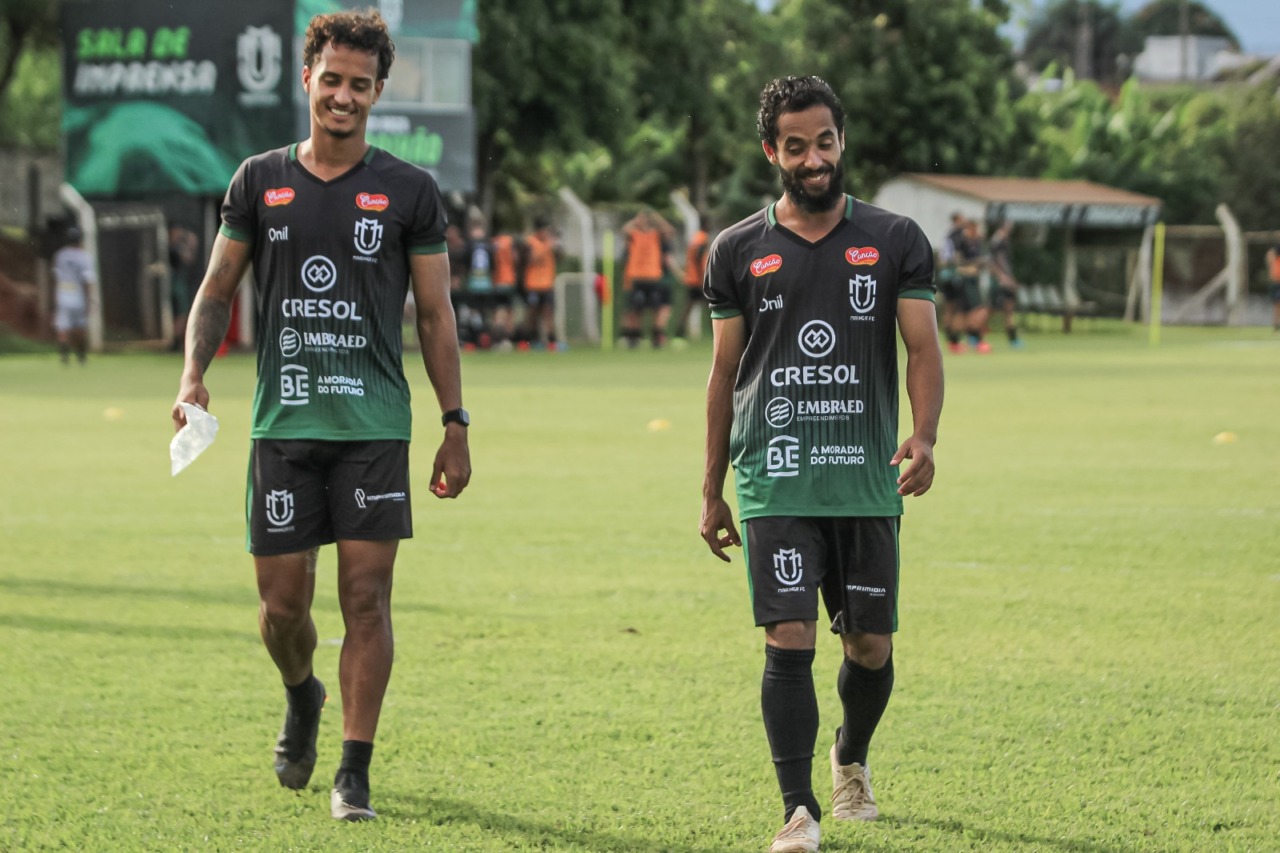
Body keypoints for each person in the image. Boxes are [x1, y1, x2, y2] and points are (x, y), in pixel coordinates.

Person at [171, 9, 470, 822]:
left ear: (378, 90)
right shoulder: (258, 179)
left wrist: (454, 421)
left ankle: (354, 768)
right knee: (282, 609)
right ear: (307, 79)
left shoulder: (409, 190)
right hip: (283, 429)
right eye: (331, 79)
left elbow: (436, 316)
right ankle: (302, 694)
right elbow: (217, 290)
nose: (343, 95)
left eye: (359, 84)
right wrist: (194, 374)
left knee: (367, 599)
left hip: (374, 427)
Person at [699, 76, 943, 853]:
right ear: (772, 151)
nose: (813, 158)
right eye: (796, 146)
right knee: (789, 638)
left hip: (863, 477)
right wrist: (712, 487)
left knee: (870, 647)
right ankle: (798, 807)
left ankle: (852, 756)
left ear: (842, 141)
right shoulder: (737, 249)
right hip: (775, 477)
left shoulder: (897, 238)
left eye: (825, 141)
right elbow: (723, 374)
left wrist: (926, 434)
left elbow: (923, 347)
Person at [620, 208, 677, 348]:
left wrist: (656, 217)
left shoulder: (655, 235)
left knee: (655, 308)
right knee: (635, 308)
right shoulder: (634, 235)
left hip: (653, 277)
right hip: (636, 277)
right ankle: (633, 338)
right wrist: (636, 219)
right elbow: (624, 230)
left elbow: (670, 231)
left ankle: (656, 338)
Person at [52, 226, 95, 365]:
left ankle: (64, 357)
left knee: (63, 326)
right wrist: (89, 299)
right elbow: (87, 280)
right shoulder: (85, 256)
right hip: (78, 293)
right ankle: (81, 356)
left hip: (63, 292)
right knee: (80, 327)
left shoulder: (61, 255)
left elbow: (56, 276)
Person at [521, 218, 559, 348]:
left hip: (548, 284)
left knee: (548, 313)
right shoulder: (530, 242)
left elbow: (560, 256)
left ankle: (552, 341)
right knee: (532, 313)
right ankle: (529, 340)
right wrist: (546, 247)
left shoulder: (550, 243)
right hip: (533, 284)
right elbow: (530, 260)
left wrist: (555, 246)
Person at [674, 215, 712, 342]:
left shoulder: (696, 237)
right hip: (699, 280)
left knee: (689, 306)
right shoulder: (702, 238)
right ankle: (717, 334)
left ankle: (679, 333)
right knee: (714, 306)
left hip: (693, 278)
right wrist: (703, 277)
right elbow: (698, 257)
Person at [987, 220, 1023, 349]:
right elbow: (996, 261)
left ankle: (1013, 339)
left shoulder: (1003, 240)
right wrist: (1003, 277)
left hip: (1006, 279)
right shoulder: (998, 241)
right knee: (991, 309)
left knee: (1009, 309)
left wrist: (1010, 278)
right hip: (1000, 281)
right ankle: (975, 334)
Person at [168, 223, 200, 351]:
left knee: (180, 313)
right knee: (180, 313)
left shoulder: (173, 247)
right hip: (175, 285)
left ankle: (176, 340)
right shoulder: (174, 248)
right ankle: (175, 342)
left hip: (175, 284)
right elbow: (188, 258)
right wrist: (191, 241)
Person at [1267, 240, 1280, 332]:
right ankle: (1275, 324)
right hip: (1275, 284)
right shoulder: (1274, 259)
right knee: (1276, 305)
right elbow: (1270, 253)